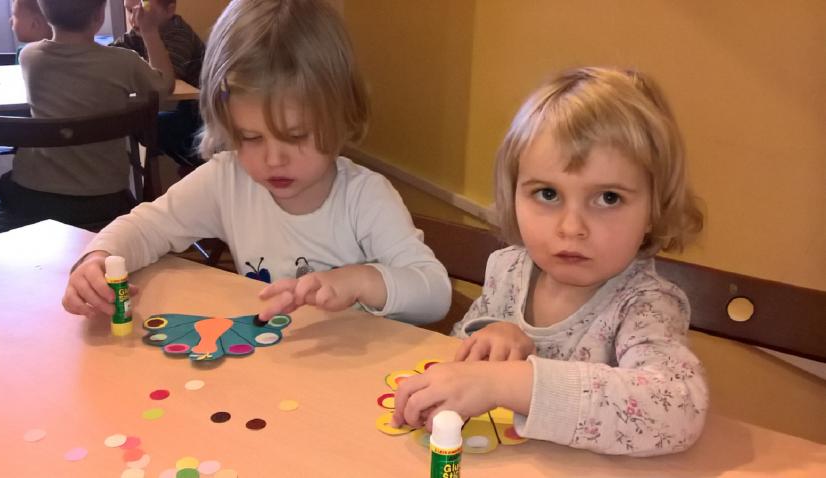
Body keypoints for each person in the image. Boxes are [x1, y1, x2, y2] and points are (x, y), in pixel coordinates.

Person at [62, 0, 451, 326]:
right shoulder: (227, 179)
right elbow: (147, 226)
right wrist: (99, 259)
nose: (274, 159)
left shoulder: (365, 197)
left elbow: (434, 293)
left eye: (297, 136)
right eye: (250, 137)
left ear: (342, 116)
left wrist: (361, 280)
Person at [391, 67, 708, 456]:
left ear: (654, 211)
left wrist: (504, 382)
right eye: (547, 194)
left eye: (608, 198)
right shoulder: (508, 271)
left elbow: (677, 410)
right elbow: (460, 373)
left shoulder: (646, 305)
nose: (571, 227)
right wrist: (486, 337)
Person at [0, 0, 174, 227]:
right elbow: (164, 86)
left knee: (4, 185)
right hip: (107, 197)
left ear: (46, 16)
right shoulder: (124, 62)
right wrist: (149, 31)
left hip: (35, 198)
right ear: (99, 17)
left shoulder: (30, 57)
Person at [112, 0, 206, 169]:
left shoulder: (178, 33)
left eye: (143, 11)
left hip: (197, 118)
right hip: (173, 109)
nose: (134, 18)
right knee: (131, 123)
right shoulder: (136, 34)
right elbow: (110, 56)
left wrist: (150, 34)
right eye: (129, 11)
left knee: (135, 125)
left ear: (170, 10)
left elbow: (164, 80)